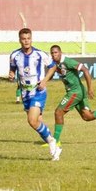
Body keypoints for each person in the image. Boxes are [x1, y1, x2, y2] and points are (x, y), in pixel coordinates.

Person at [49, 45, 96, 160]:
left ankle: (55, 142)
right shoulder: (57, 64)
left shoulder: (67, 61)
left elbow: (85, 69)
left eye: (56, 52)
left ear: (60, 52)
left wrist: (90, 88)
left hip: (75, 92)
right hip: (79, 91)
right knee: (87, 116)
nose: (54, 55)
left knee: (58, 112)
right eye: (52, 53)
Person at [9, 28, 60, 159]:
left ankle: (52, 142)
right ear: (19, 40)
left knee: (32, 120)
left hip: (38, 91)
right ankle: (55, 149)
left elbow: (53, 66)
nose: (26, 41)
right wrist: (11, 74)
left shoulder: (39, 54)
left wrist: (44, 81)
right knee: (38, 122)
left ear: (31, 39)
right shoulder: (15, 55)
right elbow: (13, 68)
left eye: (28, 38)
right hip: (25, 92)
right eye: (23, 39)